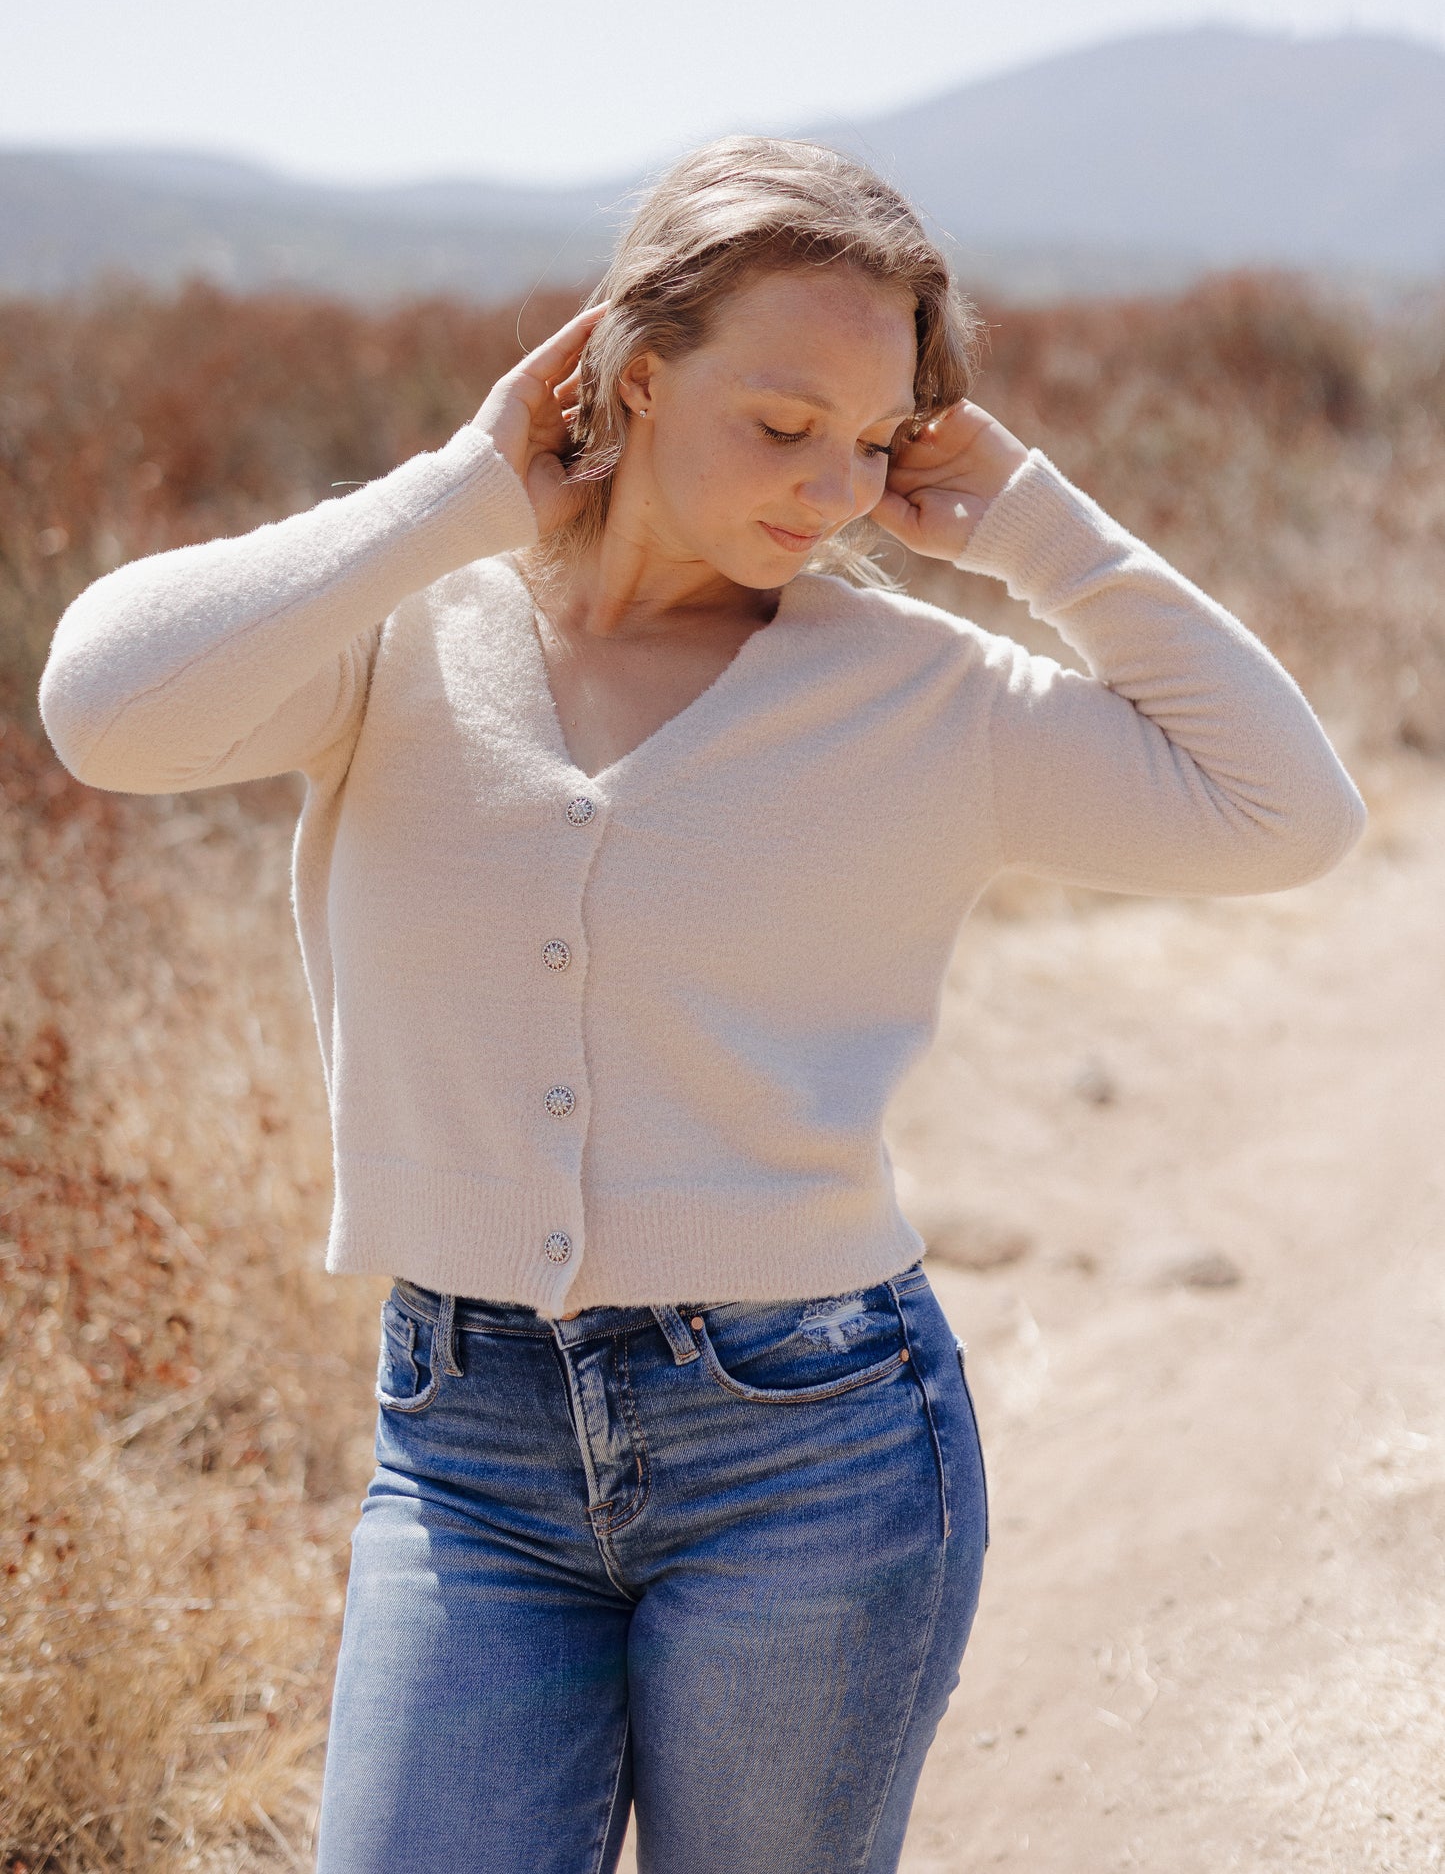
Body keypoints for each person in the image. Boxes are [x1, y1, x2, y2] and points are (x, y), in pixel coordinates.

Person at [38, 137, 1366, 1874]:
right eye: (781, 423)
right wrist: (459, 491)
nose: (831, 490)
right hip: (465, 1447)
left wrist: (1037, 522)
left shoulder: (924, 698)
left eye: (876, 439)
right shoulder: (402, 643)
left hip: (810, 1451)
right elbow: (101, 710)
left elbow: (1292, 812)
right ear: (631, 376)